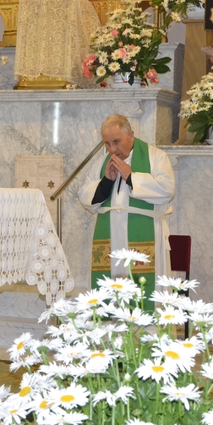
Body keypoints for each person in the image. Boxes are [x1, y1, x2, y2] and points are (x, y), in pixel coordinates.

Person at [79, 115, 175, 311]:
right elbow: (85, 197)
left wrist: (131, 177)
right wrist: (106, 181)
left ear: (130, 135)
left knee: (145, 296)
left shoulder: (155, 157)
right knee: (111, 296)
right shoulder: (102, 163)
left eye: (116, 142)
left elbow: (167, 190)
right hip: (111, 239)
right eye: (107, 144)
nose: (112, 149)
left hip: (145, 234)